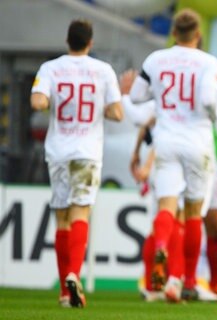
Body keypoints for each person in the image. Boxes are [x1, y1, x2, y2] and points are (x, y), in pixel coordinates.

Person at [129, 8, 217, 302]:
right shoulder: (208, 61)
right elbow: (209, 99)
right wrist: (213, 113)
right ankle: (186, 280)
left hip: (166, 141)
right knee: (194, 212)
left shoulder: (155, 59)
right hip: (196, 141)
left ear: (173, 33)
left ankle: (161, 248)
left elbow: (135, 96)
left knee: (167, 207)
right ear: (197, 34)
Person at [30, 19, 123, 308]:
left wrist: (49, 101)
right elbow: (118, 113)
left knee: (62, 217)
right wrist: (103, 108)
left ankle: (62, 291)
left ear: (67, 40)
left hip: (58, 150)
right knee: (81, 213)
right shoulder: (103, 70)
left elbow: (37, 102)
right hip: (87, 151)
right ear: (90, 42)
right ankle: (74, 273)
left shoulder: (50, 68)